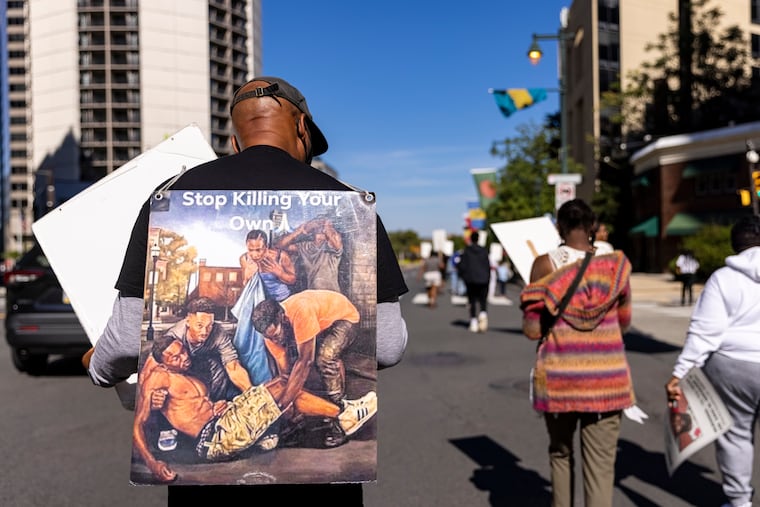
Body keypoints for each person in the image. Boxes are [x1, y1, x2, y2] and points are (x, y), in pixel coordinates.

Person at [85, 76, 409, 504]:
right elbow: (386, 346)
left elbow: (127, 339)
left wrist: (97, 368)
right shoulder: (350, 199)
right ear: (301, 129)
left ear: (236, 142)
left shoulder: (170, 195)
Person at [133, 334, 377, 483]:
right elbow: (138, 425)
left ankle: (343, 414)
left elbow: (193, 408)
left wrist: (220, 404)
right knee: (282, 389)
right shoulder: (157, 378)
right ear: (162, 363)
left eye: (182, 351)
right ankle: (345, 415)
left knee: (282, 384)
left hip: (224, 419)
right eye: (174, 358)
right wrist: (152, 463)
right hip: (215, 439)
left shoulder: (188, 373)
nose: (183, 357)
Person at [520, 198, 636, 507]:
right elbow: (624, 323)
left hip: (560, 378)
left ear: (559, 227)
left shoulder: (545, 264)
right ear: (593, 227)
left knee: (560, 454)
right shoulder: (615, 265)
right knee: (600, 466)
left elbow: (532, 329)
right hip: (608, 379)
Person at [665, 215, 760, 507]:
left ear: (734, 247)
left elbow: (704, 332)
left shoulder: (723, 278)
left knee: (736, 434)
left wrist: (679, 372)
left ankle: (739, 501)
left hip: (733, 365)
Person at [251, 290, 362, 446]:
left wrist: (282, 405)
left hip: (345, 318)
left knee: (325, 357)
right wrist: (291, 410)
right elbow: (286, 376)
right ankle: (299, 423)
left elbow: (305, 362)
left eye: (276, 335)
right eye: (269, 337)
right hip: (321, 322)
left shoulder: (300, 311)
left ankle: (341, 420)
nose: (274, 340)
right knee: (291, 381)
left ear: (282, 319)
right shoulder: (270, 335)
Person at [161, 296, 252, 401]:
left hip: (211, 374)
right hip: (184, 376)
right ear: (188, 321)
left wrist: (251, 394)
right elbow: (153, 368)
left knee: (219, 369)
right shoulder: (174, 336)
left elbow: (233, 366)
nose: (205, 332)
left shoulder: (218, 333)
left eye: (209, 326)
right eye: (200, 326)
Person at [273, 216, 343, 292]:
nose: (320, 225)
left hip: (332, 296)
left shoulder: (331, 246)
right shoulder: (305, 246)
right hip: (312, 295)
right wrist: (298, 231)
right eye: (318, 223)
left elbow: (337, 244)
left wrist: (327, 226)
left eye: (322, 224)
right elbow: (279, 246)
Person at [457, 230, 491, 333]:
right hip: (483, 279)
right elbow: (487, 266)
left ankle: (473, 322)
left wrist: (463, 276)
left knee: (472, 301)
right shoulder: (484, 251)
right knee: (483, 300)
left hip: (470, 279)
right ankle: (483, 316)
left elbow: (461, 265)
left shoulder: (466, 251)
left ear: (470, 239)